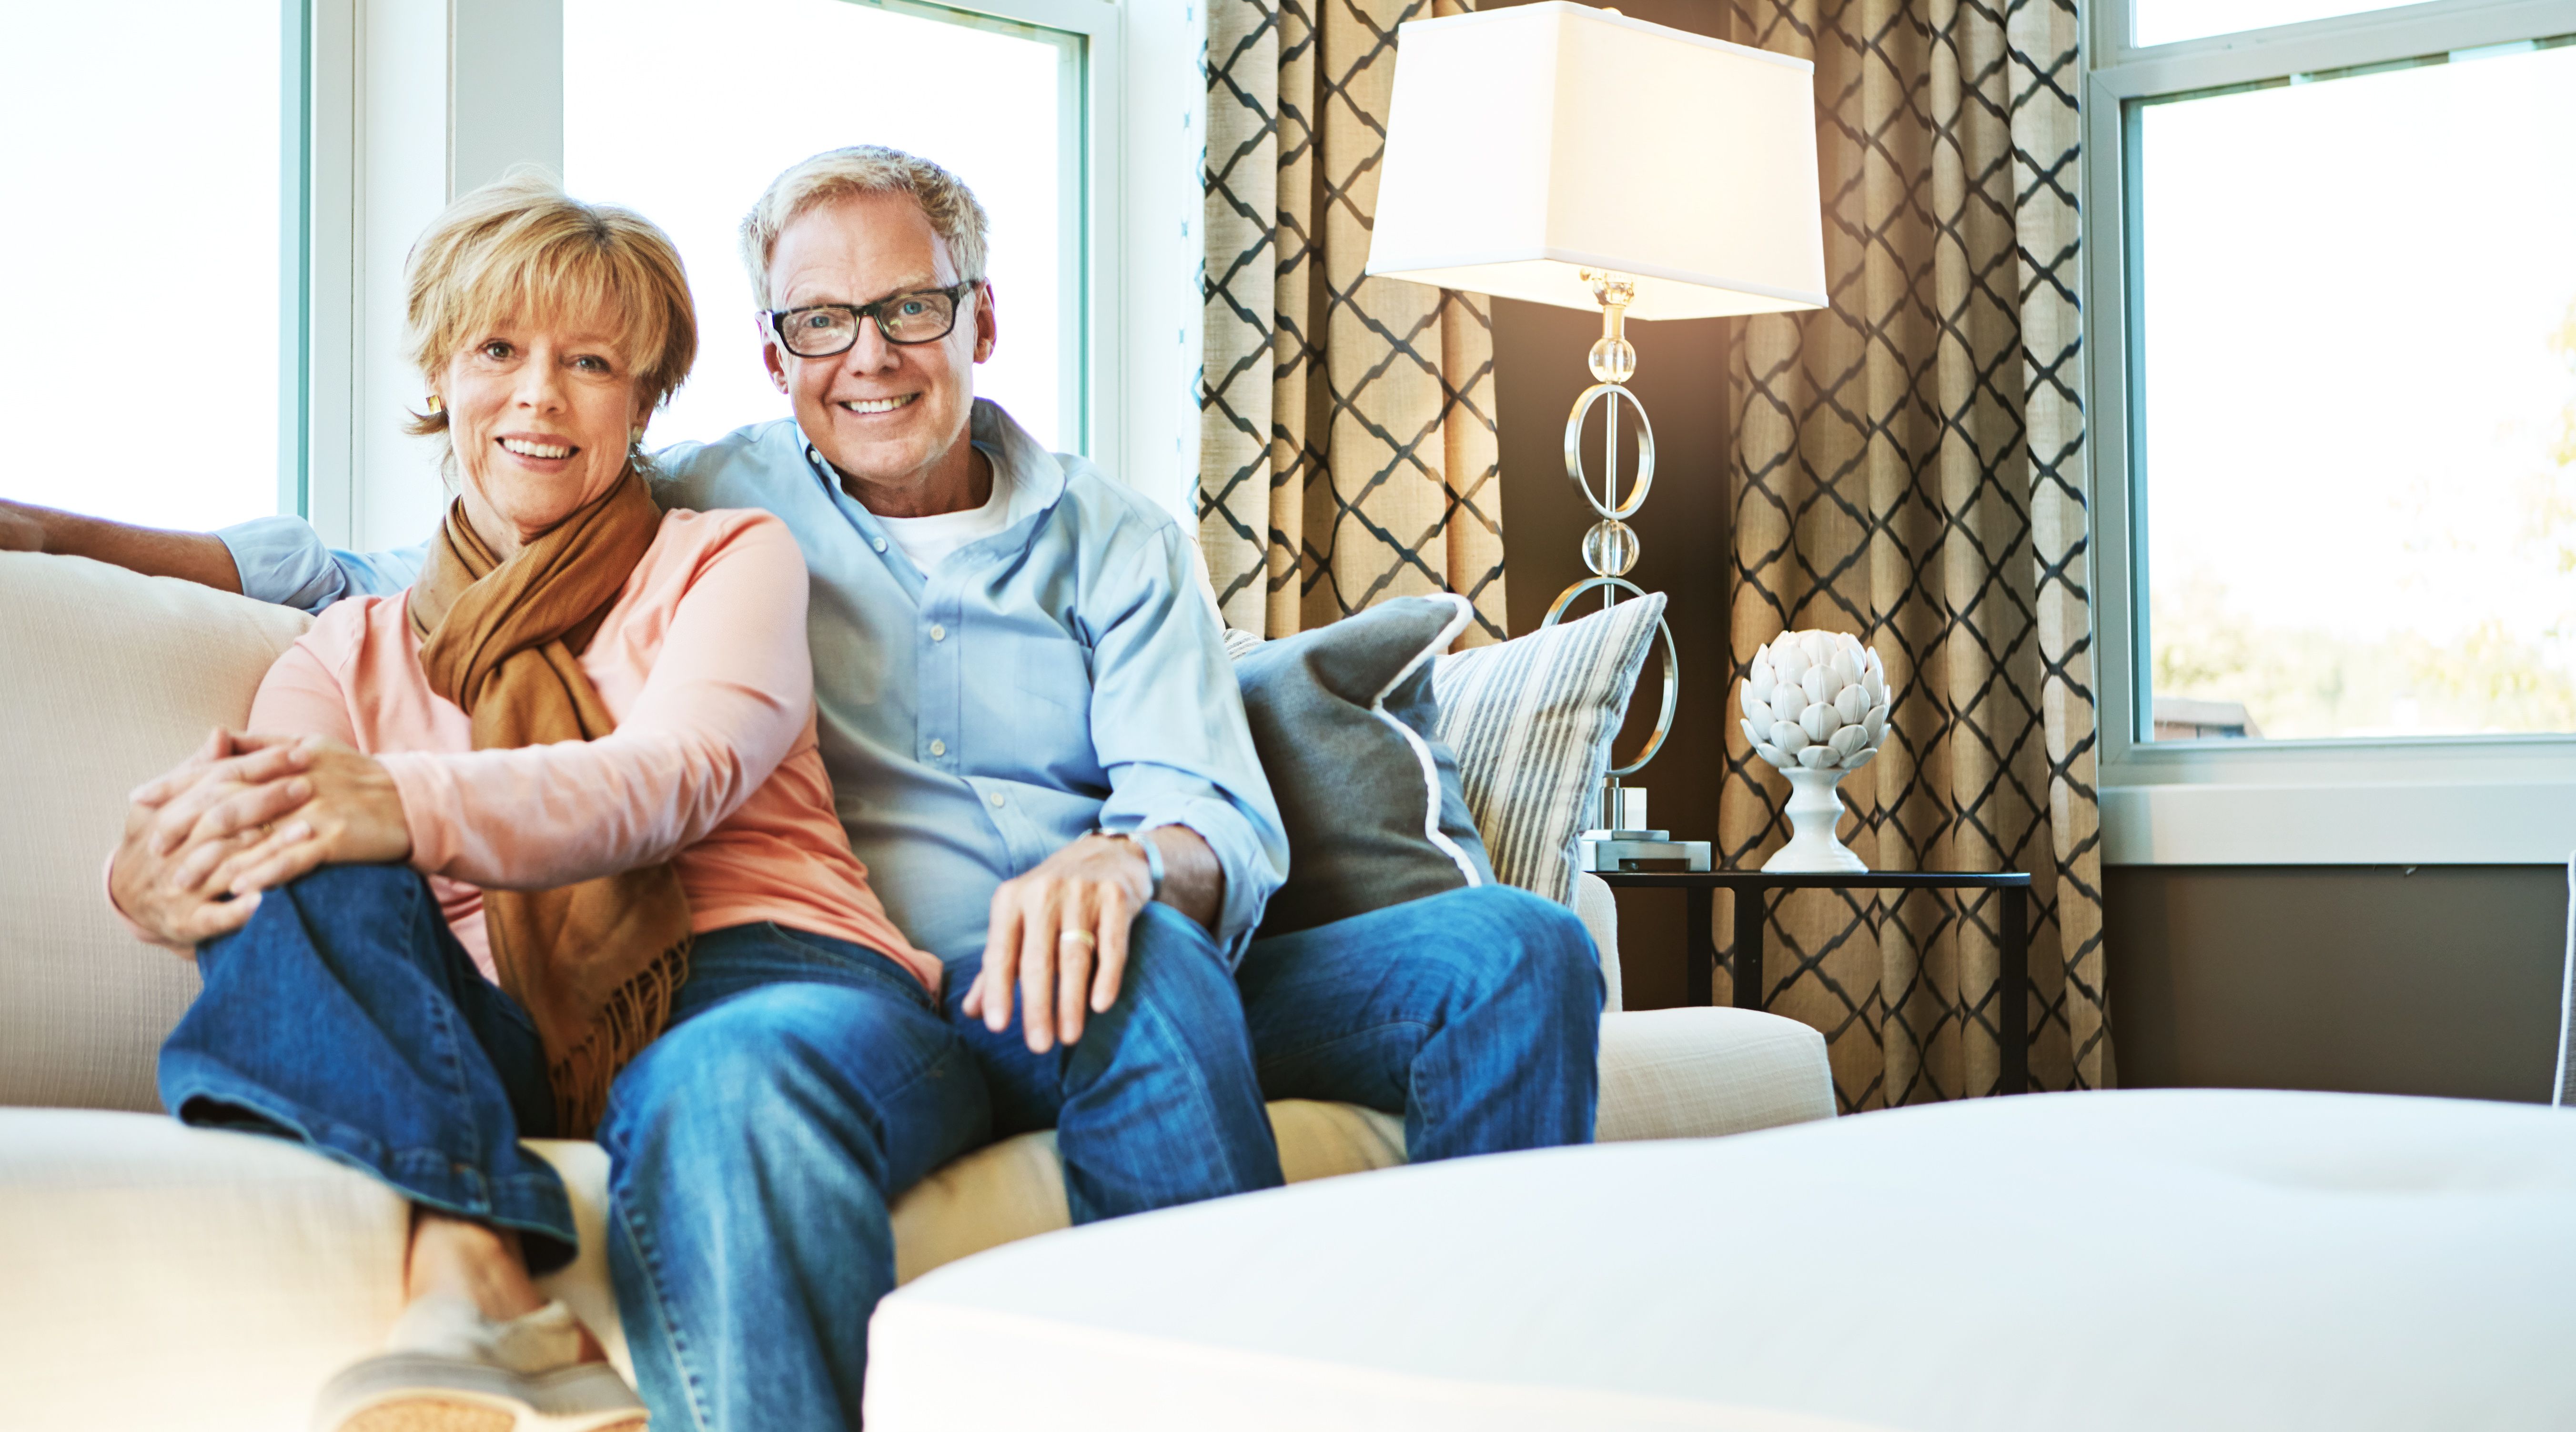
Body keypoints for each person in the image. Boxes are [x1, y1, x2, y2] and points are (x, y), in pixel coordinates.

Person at [38, 147, 1605, 1428]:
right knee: (359, 884)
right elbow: (443, 563)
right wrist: (71, 551)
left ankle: (1483, 1385)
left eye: (910, 308)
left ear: (981, 318)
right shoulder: (697, 498)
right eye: (821, 322)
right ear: (774, 351)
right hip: (881, 991)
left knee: (1506, 951)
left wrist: (1133, 864)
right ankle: (473, 1265)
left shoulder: (1084, 540)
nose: (869, 356)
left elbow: (1206, 810)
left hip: (1076, 959)